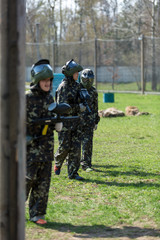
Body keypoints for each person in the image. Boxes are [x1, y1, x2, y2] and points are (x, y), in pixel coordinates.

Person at [26, 59, 62, 224]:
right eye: (44, 80)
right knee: (26, 181)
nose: (47, 83)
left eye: (49, 81)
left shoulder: (49, 99)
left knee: (43, 183)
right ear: (36, 81)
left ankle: (37, 214)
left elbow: (53, 118)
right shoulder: (27, 98)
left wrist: (57, 123)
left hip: (46, 149)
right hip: (29, 150)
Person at [54, 59, 85, 180]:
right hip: (65, 122)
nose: (78, 75)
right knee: (65, 147)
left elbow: (82, 100)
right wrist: (78, 107)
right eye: (76, 73)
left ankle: (73, 173)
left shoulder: (77, 86)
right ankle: (57, 162)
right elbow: (63, 108)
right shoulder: (63, 87)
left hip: (76, 121)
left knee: (76, 148)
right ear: (70, 73)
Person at [79, 69, 100, 172]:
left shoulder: (93, 91)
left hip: (89, 121)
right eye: (85, 80)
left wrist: (96, 120)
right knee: (75, 143)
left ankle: (86, 164)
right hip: (77, 121)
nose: (88, 82)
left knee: (87, 143)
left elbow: (96, 107)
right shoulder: (76, 89)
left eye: (90, 80)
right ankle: (71, 161)